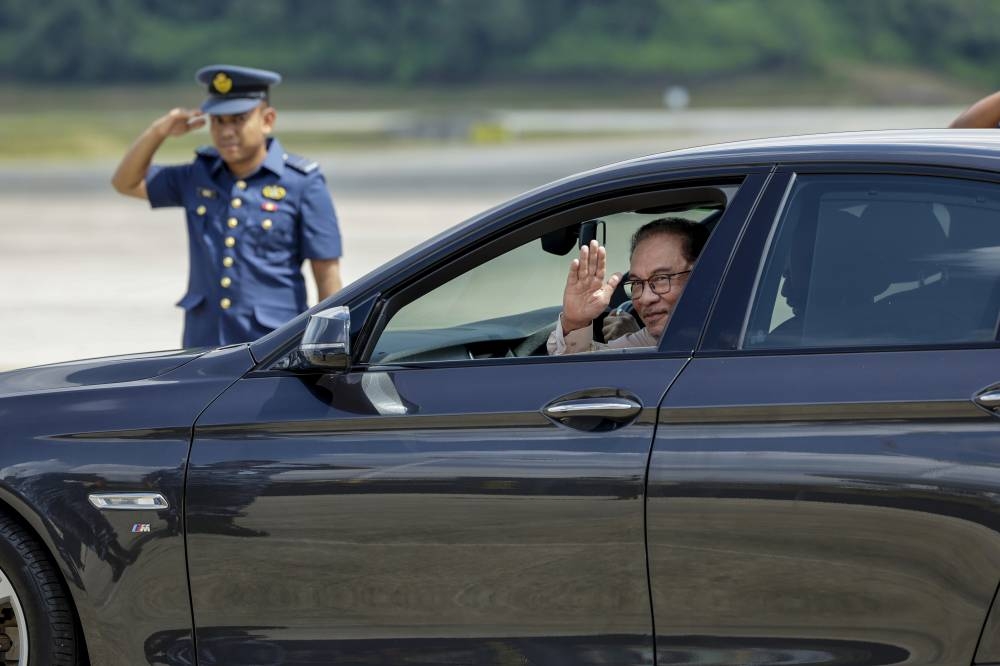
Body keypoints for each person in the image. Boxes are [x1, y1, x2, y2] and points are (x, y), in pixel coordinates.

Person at [111, 64, 343, 347]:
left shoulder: (301, 183)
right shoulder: (198, 176)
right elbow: (125, 182)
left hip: (271, 346)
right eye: (218, 121)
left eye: (238, 119)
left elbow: (327, 275)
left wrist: (327, 347)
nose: (226, 131)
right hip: (203, 345)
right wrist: (158, 131)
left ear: (267, 120)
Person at [547, 218, 708, 355]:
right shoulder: (653, 338)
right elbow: (581, 372)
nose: (645, 299)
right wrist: (575, 322)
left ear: (702, 276)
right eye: (637, 283)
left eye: (661, 278)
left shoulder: (732, 338)